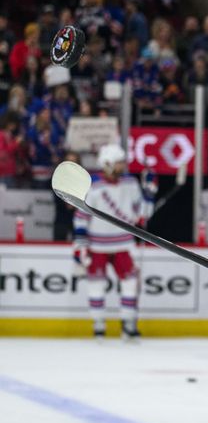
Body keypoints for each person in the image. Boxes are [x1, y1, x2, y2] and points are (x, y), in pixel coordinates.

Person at [73, 144, 156, 339]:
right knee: (96, 285)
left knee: (130, 283)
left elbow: (142, 215)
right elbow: (80, 218)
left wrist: (149, 194)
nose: (122, 166)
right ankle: (99, 325)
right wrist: (81, 245)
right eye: (118, 163)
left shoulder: (131, 183)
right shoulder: (92, 187)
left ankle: (128, 324)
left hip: (124, 244)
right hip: (97, 245)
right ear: (107, 164)